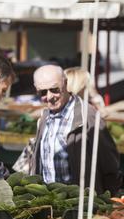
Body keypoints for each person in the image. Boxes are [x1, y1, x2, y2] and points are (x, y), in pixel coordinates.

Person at [28, 64, 120, 194]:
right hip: (48, 201)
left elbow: (109, 164)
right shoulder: (44, 117)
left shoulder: (87, 116)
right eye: (43, 92)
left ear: (65, 83)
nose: (49, 97)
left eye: (54, 89)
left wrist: (105, 199)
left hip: (78, 203)